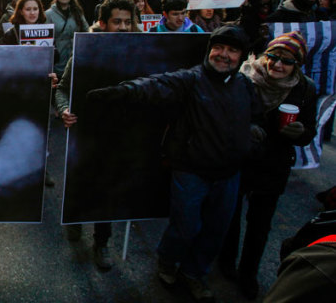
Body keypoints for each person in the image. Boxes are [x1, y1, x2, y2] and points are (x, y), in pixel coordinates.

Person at [87, 26, 259, 302]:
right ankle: (167, 261)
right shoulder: (191, 80)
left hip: (229, 175)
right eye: (218, 48)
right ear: (209, 49)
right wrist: (123, 91)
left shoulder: (245, 85)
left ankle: (195, 273)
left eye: (232, 50)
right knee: (186, 226)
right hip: (192, 171)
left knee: (216, 230)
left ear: (241, 56)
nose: (223, 55)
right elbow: (155, 85)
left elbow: (256, 116)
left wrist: (254, 134)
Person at [219, 31, 317, 299]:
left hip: (273, 165)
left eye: (287, 61)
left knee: (259, 225)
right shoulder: (243, 78)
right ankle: (225, 262)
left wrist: (301, 133)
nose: (277, 64)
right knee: (229, 217)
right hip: (240, 160)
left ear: (296, 65)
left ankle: (248, 273)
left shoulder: (304, 88)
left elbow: (310, 129)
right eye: (273, 56)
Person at [55, 0, 139, 270]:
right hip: (86, 131)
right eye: (118, 22)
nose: (124, 27)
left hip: (120, 134)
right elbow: (63, 89)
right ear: (103, 23)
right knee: (82, 182)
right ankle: (75, 220)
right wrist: (65, 110)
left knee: (109, 189)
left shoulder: (141, 51)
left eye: (128, 22)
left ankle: (102, 242)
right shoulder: (84, 51)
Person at [44, 0, 88, 77]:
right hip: (57, 57)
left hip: (74, 55)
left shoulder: (77, 12)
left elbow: (86, 30)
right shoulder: (48, 14)